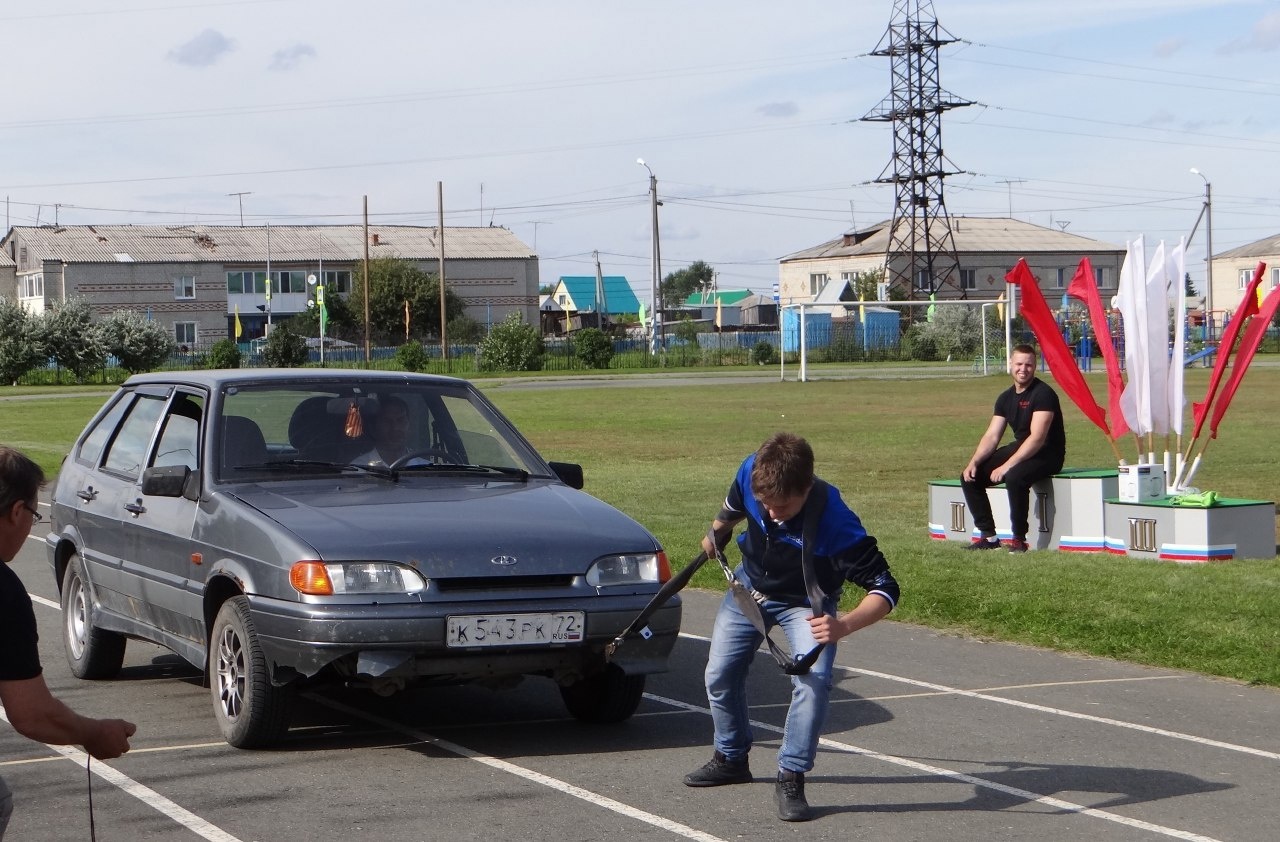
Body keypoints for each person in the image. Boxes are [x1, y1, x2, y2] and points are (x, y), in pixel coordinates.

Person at [683, 432, 899, 822]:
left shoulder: (836, 521)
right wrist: (717, 530)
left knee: (813, 682)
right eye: (765, 503)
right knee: (718, 673)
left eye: (781, 506)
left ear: (807, 486)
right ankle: (731, 757)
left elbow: (886, 589)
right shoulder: (753, 470)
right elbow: (733, 503)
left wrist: (843, 625)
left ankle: (791, 774)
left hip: (806, 604)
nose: (770, 513)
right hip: (748, 588)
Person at [0, 446, 136, 839]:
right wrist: (92, 733)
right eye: (33, 515)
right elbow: (31, 713)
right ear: (15, 512)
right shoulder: (3, 595)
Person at [960, 343, 1067, 553]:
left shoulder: (1044, 394)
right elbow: (992, 436)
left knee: (1015, 476)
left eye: (1028, 365)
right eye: (1018, 364)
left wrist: (1006, 466)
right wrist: (974, 462)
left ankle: (1019, 539)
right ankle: (989, 538)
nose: (1023, 369)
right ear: (1010, 364)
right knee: (969, 477)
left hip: (1048, 453)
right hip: (1022, 448)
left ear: (1035, 366)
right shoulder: (1005, 398)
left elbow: (1037, 439)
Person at [355, 396, 418, 467]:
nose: (395, 428)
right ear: (374, 428)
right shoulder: (358, 469)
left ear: (409, 425)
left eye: (400, 420)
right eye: (387, 421)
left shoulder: (427, 469)